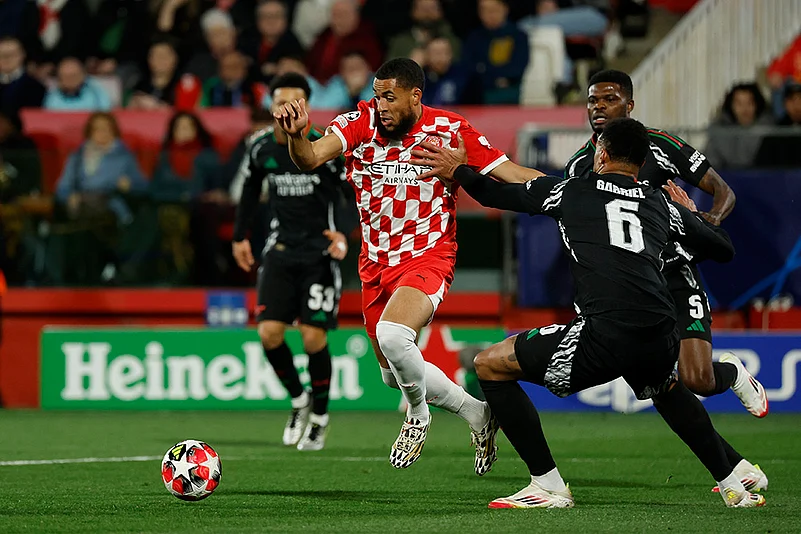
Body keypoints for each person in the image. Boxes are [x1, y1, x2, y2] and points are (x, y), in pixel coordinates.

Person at [410, 117, 765, 509]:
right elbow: (723, 248)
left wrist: (457, 170)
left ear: (602, 153)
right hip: (662, 331)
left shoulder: (573, 191)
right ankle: (733, 484)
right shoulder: (660, 203)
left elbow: (495, 195)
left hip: (606, 333)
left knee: (490, 364)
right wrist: (695, 216)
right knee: (665, 388)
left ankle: (547, 485)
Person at [273, 58, 543, 472]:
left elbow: (510, 172)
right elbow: (309, 158)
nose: (380, 104)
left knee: (394, 336)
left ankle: (417, 415)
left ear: (415, 95)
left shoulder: (451, 129)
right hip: (375, 265)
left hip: (429, 255)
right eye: (376, 95)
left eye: (389, 97)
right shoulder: (358, 124)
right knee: (391, 371)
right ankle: (479, 414)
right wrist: (296, 137)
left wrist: (574, 191)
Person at [563, 70, 768, 492]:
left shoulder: (662, 145)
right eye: (592, 101)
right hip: (630, 289)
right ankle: (739, 468)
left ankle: (728, 372)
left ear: (630, 106)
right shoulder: (581, 165)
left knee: (697, 380)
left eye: (609, 99)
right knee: (663, 386)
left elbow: (721, 190)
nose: (598, 107)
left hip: (676, 273)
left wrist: (704, 220)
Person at [232, 73, 356, 451]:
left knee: (312, 335)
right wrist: (240, 236)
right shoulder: (260, 148)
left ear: (306, 107)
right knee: (269, 333)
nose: (287, 109)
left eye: (295, 103)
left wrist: (344, 232)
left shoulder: (325, 145)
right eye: (280, 102)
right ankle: (298, 399)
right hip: (280, 251)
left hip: (319, 255)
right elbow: (251, 191)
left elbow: (351, 193)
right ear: (271, 107)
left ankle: (319, 415)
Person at [705, 83, 773, 170]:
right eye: (739, 104)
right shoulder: (719, 130)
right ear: (731, 106)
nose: (745, 109)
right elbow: (710, 162)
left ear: (757, 105)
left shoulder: (770, 131)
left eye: (749, 103)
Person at [43, 58, 112, 111]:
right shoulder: (52, 97)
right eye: (65, 76)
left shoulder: (96, 93)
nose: (69, 80)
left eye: (73, 76)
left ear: (82, 76)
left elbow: (104, 116)